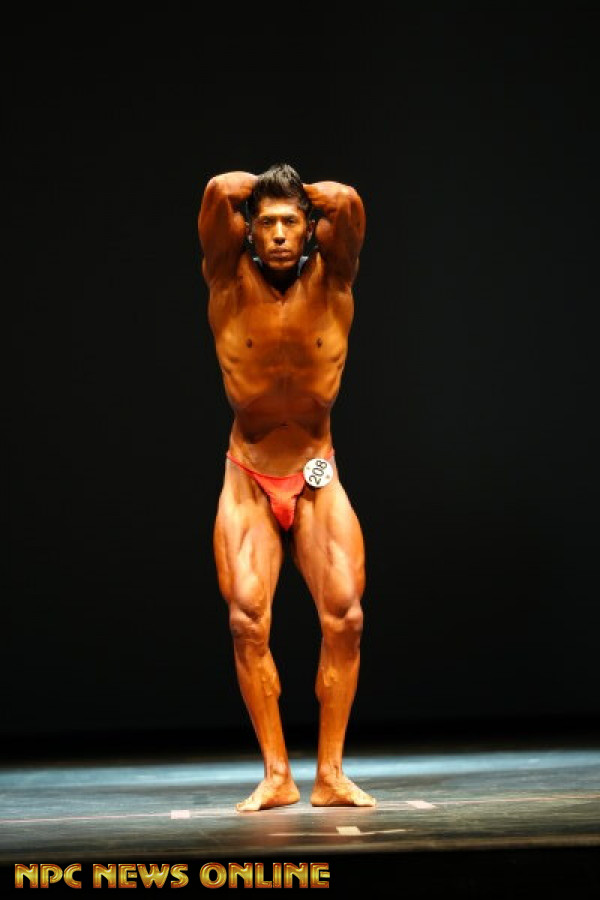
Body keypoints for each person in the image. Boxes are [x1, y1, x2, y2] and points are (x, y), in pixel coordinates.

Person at [198, 163, 375, 812]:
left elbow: (348, 203)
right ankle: (277, 774)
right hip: (248, 472)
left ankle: (331, 775)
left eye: (290, 223)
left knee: (346, 615)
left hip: (315, 468)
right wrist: (267, 193)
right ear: (249, 232)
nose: (277, 234)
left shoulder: (335, 279)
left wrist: (307, 196)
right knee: (247, 618)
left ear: (309, 231)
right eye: (267, 223)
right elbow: (219, 191)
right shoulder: (226, 278)